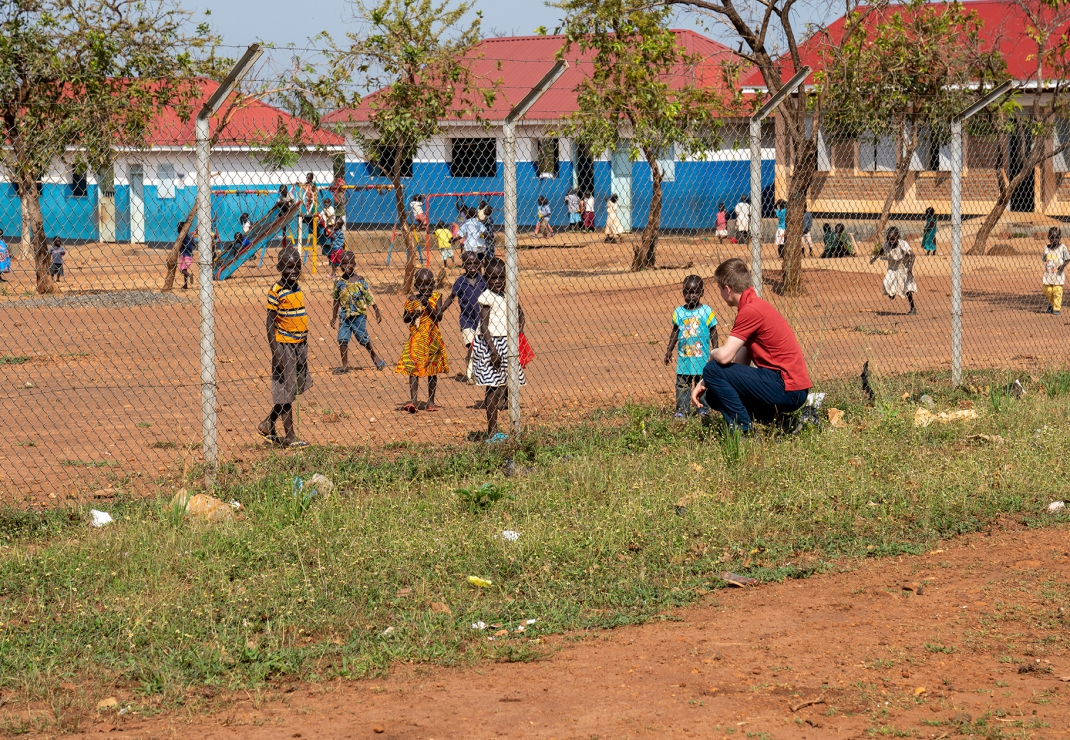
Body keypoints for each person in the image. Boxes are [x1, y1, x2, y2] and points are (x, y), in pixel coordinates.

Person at [689, 258, 812, 433]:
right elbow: (740, 362)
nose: (720, 293)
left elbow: (724, 357)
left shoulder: (750, 311)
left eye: (719, 289)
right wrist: (705, 382)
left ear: (727, 289)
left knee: (712, 369)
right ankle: (784, 422)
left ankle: (744, 432)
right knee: (715, 395)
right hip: (791, 389)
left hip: (787, 388)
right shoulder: (754, 306)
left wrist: (711, 356)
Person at [257, 248, 311, 447]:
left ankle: (269, 422)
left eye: (297, 266)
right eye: (289, 267)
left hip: (299, 345)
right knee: (286, 391)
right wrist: (276, 352)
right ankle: (289, 436)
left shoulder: (296, 288)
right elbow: (270, 324)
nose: (294, 271)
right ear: (280, 268)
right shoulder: (276, 292)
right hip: (284, 347)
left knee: (292, 388)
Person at [472, 257, 525, 442]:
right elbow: (484, 326)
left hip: (506, 344)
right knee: (493, 388)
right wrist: (493, 351)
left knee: (505, 385)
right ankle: (492, 430)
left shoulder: (508, 294)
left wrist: (520, 328)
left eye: (502, 277)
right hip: (491, 345)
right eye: (493, 278)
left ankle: (506, 428)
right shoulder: (487, 296)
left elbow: (520, 312)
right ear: (486, 279)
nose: (498, 282)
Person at [664, 275, 718, 418]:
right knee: (682, 385)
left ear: (701, 292)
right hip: (684, 359)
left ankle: (703, 408)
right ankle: (681, 410)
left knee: (703, 384)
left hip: (703, 359)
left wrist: (716, 349)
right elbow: (675, 332)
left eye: (694, 292)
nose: (690, 296)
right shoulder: (679, 312)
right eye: (687, 292)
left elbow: (713, 331)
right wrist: (669, 350)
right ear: (682, 293)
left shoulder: (706, 311)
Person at [396, 267, 449, 412]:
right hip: (417, 339)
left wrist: (427, 305)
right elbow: (405, 318)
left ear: (434, 283)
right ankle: (413, 400)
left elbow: (439, 316)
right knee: (414, 369)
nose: (427, 288)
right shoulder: (412, 300)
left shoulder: (436, 297)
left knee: (432, 370)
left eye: (430, 284)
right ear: (416, 286)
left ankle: (431, 401)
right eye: (423, 285)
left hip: (432, 339)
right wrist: (413, 313)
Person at [330, 251, 386, 373]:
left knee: (363, 339)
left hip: (359, 316)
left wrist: (376, 310)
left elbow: (369, 296)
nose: (347, 266)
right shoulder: (339, 282)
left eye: (350, 263)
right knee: (342, 339)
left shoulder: (360, 280)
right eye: (343, 264)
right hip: (344, 316)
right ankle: (344, 365)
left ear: (354, 264)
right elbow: (336, 299)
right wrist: (334, 317)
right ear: (340, 266)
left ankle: (375, 357)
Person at [437, 251, 487, 384]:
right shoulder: (460, 282)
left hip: (483, 320)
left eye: (476, 263)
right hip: (467, 320)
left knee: (481, 346)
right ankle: (471, 375)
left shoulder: (483, 280)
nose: (472, 266)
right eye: (469, 263)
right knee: (472, 345)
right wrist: (440, 311)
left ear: (479, 264)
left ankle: (480, 371)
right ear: (463, 264)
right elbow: (451, 297)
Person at [871, 226, 917, 315]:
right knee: (886, 282)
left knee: (907, 290)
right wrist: (875, 258)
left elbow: (913, 255)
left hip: (904, 269)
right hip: (892, 268)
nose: (891, 241)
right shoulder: (886, 244)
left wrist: (910, 267)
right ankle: (892, 294)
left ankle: (913, 308)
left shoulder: (902, 244)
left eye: (893, 239)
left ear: (898, 237)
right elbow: (881, 250)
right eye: (889, 239)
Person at [1042, 226, 1070, 315]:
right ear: (1049, 238)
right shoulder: (1046, 248)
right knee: (1047, 290)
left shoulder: (1062, 248)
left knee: (1057, 290)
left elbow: (1067, 258)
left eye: (1057, 237)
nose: (1055, 239)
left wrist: (1063, 266)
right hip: (1048, 274)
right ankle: (1052, 303)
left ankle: (1056, 308)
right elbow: (1044, 258)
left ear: (1060, 238)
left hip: (1058, 274)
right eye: (1052, 237)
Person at [433, 220, 456, 284]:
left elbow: (434, 233)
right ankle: (453, 261)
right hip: (448, 244)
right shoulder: (447, 230)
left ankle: (445, 265)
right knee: (450, 253)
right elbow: (451, 237)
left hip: (443, 245)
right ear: (444, 225)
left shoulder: (437, 231)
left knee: (444, 256)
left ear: (438, 226)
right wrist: (453, 241)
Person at [178, 223, 195, 289]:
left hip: (183, 255)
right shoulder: (190, 236)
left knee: (182, 270)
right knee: (185, 269)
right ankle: (185, 285)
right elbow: (194, 244)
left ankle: (189, 275)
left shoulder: (181, 237)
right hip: (189, 255)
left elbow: (179, 246)